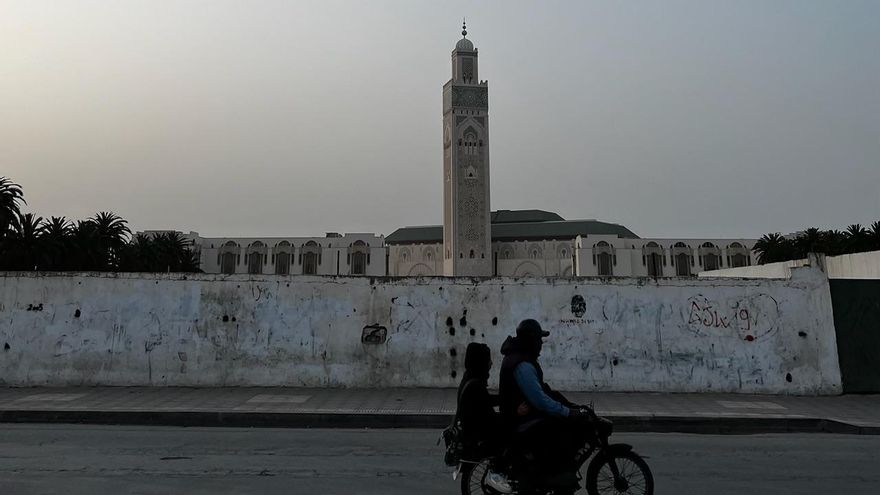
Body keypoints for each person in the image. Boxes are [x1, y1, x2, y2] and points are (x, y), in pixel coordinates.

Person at [498, 319, 590, 489]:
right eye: (538, 340)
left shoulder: (520, 358)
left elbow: (545, 391)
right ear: (530, 341)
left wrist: (570, 406)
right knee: (558, 427)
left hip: (519, 416)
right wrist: (567, 412)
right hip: (518, 421)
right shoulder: (522, 365)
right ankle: (549, 477)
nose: (541, 344)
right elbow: (540, 400)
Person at [456, 342, 513, 493]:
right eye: (488, 360)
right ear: (480, 362)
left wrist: (505, 399)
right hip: (479, 431)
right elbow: (489, 416)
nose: (490, 364)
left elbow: (486, 401)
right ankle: (497, 473)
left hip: (474, 427)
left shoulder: (469, 379)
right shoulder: (475, 385)